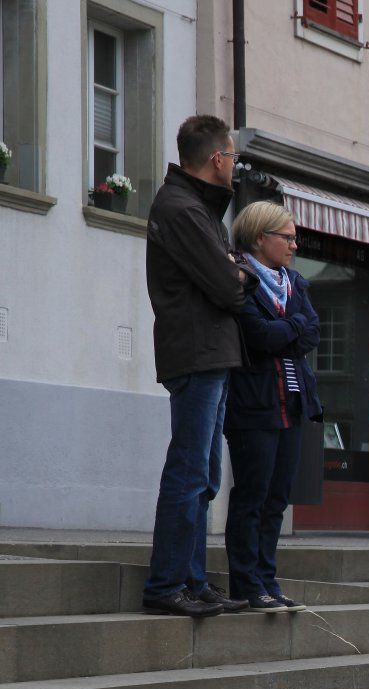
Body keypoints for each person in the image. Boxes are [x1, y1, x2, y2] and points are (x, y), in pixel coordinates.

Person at [142, 114, 259, 618]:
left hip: (209, 352)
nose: (234, 164)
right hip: (197, 352)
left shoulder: (198, 208)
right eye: (232, 155)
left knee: (205, 476)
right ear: (217, 158)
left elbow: (233, 275)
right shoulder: (183, 209)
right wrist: (241, 274)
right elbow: (231, 287)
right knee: (190, 472)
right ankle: (166, 584)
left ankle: (191, 580)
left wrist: (238, 271)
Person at [224, 201, 323, 613]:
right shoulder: (239, 277)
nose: (294, 246)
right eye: (288, 238)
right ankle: (246, 584)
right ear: (260, 237)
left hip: (293, 402)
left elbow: (312, 332)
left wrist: (288, 329)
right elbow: (260, 337)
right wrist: (293, 326)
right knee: (252, 495)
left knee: (277, 499)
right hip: (254, 404)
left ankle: (267, 580)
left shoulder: (293, 283)